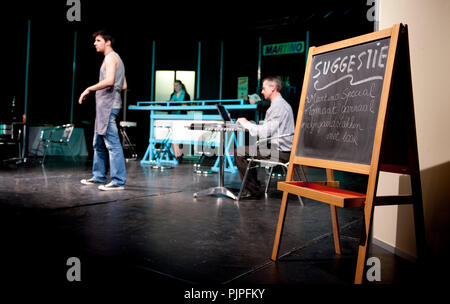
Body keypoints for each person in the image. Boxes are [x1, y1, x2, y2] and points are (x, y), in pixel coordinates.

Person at [78, 30, 127, 191]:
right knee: (98, 144)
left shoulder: (111, 58)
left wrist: (89, 89)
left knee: (112, 145)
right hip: (105, 107)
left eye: (98, 40)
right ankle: (99, 176)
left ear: (108, 42)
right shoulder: (116, 58)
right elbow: (124, 85)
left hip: (108, 107)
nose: (95, 43)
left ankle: (118, 181)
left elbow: (110, 80)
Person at [235, 76, 295, 198]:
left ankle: (251, 189)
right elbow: (270, 128)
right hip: (281, 149)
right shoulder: (280, 105)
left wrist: (246, 123)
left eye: (263, 88)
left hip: (280, 152)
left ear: (273, 88)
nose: (261, 92)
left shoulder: (278, 107)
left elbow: (264, 133)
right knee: (248, 150)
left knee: (240, 152)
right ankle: (253, 187)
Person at [169, 80, 190, 162]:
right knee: (173, 136)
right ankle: (174, 154)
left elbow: (187, 105)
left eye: (177, 85)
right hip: (173, 117)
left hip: (181, 117)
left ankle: (180, 155)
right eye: (174, 85)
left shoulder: (186, 95)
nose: (175, 87)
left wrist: (178, 103)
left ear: (181, 85)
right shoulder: (172, 95)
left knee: (180, 136)